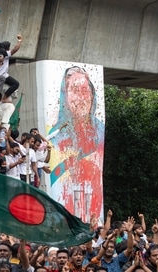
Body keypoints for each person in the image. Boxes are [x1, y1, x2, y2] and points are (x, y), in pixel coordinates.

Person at [47, 66, 104, 221]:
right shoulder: (54, 135)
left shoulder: (100, 131)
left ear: (92, 94)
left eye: (85, 91)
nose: (81, 97)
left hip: (92, 201)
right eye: (75, 90)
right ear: (65, 95)